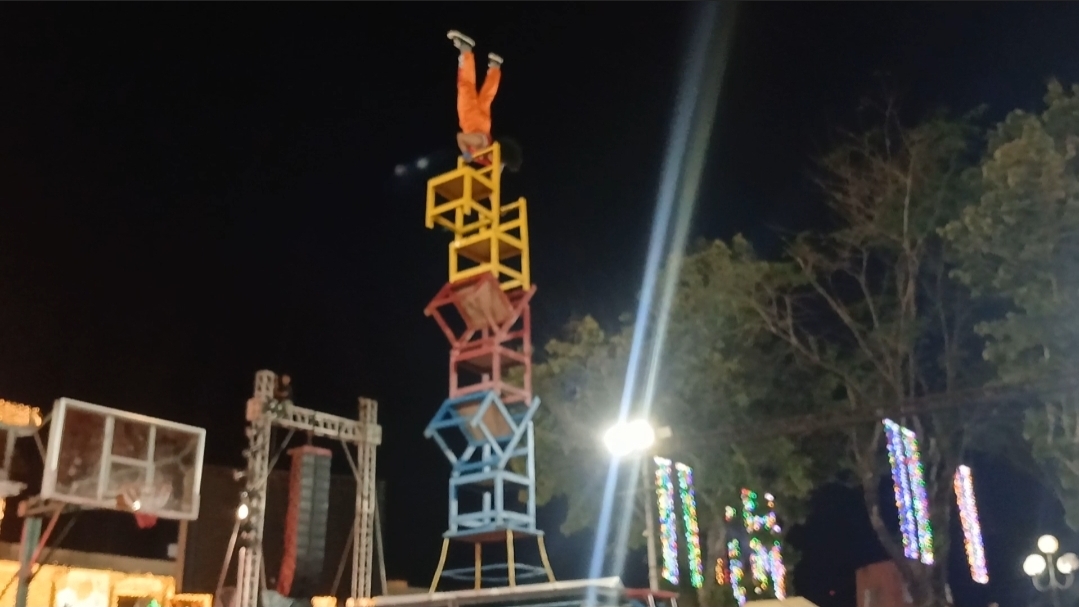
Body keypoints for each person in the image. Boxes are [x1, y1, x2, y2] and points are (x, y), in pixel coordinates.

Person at [448, 30, 522, 172]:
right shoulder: (481, 146)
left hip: (484, 124)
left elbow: (498, 171)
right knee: (465, 85)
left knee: (486, 97)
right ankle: (466, 49)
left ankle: (495, 67)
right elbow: (460, 137)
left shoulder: (494, 162)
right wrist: (466, 154)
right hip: (471, 120)